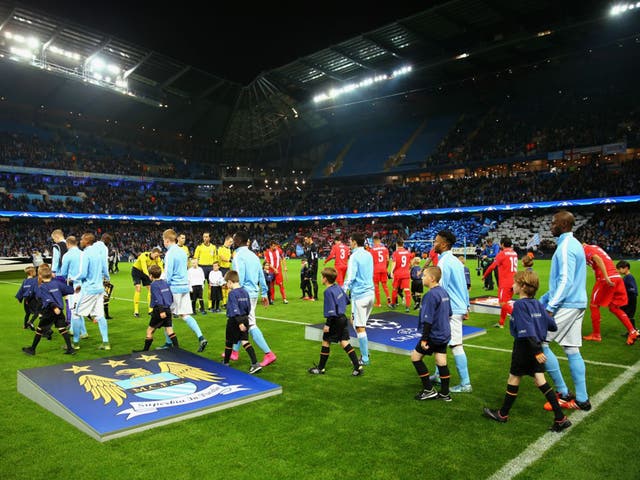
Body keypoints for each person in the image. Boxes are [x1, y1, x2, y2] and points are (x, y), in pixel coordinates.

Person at [483, 270, 571, 432]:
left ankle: (502, 414)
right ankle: (560, 418)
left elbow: (526, 330)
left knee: (514, 377)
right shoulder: (537, 303)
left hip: (525, 346)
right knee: (540, 380)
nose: (513, 285)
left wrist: (536, 351)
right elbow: (552, 325)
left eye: (515, 282)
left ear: (523, 286)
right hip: (536, 344)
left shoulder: (520, 306)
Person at [539, 211, 591, 411]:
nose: (551, 226)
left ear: (562, 224)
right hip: (577, 303)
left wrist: (550, 308)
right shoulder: (574, 244)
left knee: (541, 343)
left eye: (553, 223)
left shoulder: (566, 247)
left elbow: (565, 281)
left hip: (566, 304)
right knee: (571, 349)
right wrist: (544, 300)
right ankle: (582, 399)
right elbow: (562, 282)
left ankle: (563, 391)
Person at [431, 230, 472, 393]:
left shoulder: (444, 263)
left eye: (436, 241)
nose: (434, 244)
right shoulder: (456, 261)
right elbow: (463, 286)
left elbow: (441, 289)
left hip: (450, 309)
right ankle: (439, 374)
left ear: (444, 244)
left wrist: (436, 310)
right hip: (458, 306)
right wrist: (467, 306)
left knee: (456, 345)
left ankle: (466, 383)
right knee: (440, 342)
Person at [229, 230, 276, 367]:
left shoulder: (238, 257)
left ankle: (269, 354)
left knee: (250, 324)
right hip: (254, 293)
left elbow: (239, 278)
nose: (233, 242)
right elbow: (261, 276)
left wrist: (236, 293)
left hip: (244, 294)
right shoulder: (254, 256)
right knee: (239, 322)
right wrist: (264, 293)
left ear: (238, 241)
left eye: (234, 239)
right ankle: (234, 352)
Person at [308, 267, 363, 376]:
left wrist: (328, 324)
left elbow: (331, 310)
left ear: (325, 279)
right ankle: (358, 367)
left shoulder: (327, 292)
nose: (321, 278)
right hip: (343, 318)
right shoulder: (338, 287)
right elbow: (347, 300)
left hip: (335, 320)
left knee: (326, 341)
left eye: (322, 276)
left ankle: (321, 368)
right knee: (344, 342)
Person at [582, 243, 639, 344]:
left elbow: (597, 258)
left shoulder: (586, 249)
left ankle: (596, 335)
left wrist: (606, 277)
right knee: (614, 307)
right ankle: (633, 331)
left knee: (594, 305)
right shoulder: (595, 247)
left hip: (606, 279)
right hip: (617, 277)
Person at [162, 229, 208, 352]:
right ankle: (201, 337)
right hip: (184, 287)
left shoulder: (170, 254)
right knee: (185, 315)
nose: (163, 243)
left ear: (167, 240)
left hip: (174, 287)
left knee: (167, 316)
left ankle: (168, 342)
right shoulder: (183, 252)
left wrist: (163, 285)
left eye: (163, 241)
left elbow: (168, 273)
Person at [411, 266, 452, 401]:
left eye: (424, 276)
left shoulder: (430, 295)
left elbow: (427, 320)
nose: (422, 278)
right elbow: (449, 313)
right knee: (441, 361)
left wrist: (424, 339)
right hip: (444, 333)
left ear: (432, 278)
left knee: (416, 358)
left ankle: (428, 389)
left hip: (433, 335)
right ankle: (445, 393)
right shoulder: (444, 292)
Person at [22, 264, 76, 356]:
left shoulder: (42, 286)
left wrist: (54, 307)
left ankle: (32, 349)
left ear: (40, 276)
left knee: (39, 329)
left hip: (50, 311)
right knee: (62, 328)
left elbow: (48, 299)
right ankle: (70, 348)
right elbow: (69, 290)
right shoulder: (56, 283)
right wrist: (73, 285)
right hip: (59, 310)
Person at [74, 233, 111, 350]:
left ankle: (75, 344)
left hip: (89, 289)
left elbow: (83, 273)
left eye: (81, 239)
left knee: (76, 314)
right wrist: (107, 278)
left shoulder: (85, 254)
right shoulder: (99, 253)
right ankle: (106, 343)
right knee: (100, 315)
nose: (80, 241)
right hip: (99, 289)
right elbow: (105, 269)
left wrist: (73, 279)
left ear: (87, 241)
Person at [343, 232, 375, 366]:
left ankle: (365, 358)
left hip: (360, 295)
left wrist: (342, 291)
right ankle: (365, 350)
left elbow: (350, 276)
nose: (349, 243)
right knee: (355, 321)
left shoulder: (354, 256)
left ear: (355, 242)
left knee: (360, 327)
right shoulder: (369, 254)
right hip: (371, 294)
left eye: (350, 241)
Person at [222, 270, 263, 374]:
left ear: (230, 282)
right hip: (245, 318)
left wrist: (239, 322)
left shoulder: (232, 294)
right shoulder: (245, 292)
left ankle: (225, 362)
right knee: (245, 341)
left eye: (227, 282)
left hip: (235, 320)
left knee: (229, 341)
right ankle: (255, 363)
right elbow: (249, 307)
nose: (227, 285)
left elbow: (234, 308)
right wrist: (244, 320)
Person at [135, 264, 179, 351]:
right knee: (169, 330)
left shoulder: (154, 285)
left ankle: (145, 351)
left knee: (149, 331)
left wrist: (161, 311)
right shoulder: (165, 282)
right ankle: (177, 349)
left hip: (159, 310)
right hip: (167, 309)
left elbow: (159, 299)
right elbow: (170, 296)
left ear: (151, 276)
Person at [482, 237, 519, 328]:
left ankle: (519, 317)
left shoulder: (501, 254)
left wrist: (484, 275)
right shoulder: (514, 253)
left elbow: (492, 266)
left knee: (502, 303)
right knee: (505, 302)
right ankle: (501, 323)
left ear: (502, 244)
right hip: (514, 281)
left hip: (505, 283)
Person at [131, 247, 163, 318]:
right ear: (152, 253)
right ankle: (136, 311)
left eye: (158, 256)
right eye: (156, 255)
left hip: (147, 272)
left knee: (150, 289)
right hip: (137, 271)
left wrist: (161, 277)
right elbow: (144, 268)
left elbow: (161, 267)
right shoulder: (143, 256)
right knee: (138, 288)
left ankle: (150, 310)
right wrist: (150, 277)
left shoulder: (157, 258)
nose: (157, 257)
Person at [193, 232, 217, 310]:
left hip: (210, 267)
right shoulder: (199, 247)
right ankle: (200, 304)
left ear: (209, 238)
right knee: (200, 287)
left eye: (207, 237)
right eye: (204, 237)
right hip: (202, 267)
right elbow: (195, 258)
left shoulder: (213, 247)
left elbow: (215, 258)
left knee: (211, 286)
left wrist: (215, 268)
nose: (205, 238)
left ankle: (210, 304)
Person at [390, 239, 413, 312]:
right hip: (406, 273)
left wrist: (391, 272)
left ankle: (393, 304)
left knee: (395, 289)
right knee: (407, 290)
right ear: (403, 244)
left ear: (397, 244)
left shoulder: (395, 253)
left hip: (398, 273)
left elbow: (394, 263)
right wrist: (408, 270)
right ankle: (407, 307)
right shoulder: (408, 252)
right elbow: (411, 263)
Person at [370, 234, 391, 307]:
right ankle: (389, 300)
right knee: (385, 285)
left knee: (376, 286)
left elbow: (370, 261)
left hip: (376, 269)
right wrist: (386, 267)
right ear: (379, 240)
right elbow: (388, 259)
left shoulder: (372, 249)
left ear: (374, 240)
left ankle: (378, 303)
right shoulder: (385, 248)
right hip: (383, 269)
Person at [616, 260, 637, 333]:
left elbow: (632, 289)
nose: (618, 271)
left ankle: (634, 332)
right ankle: (631, 331)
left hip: (631, 299)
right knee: (627, 314)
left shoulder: (629, 277)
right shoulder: (626, 277)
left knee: (629, 315)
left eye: (620, 268)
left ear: (626, 268)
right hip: (628, 298)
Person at [16, 266, 38, 330]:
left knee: (27, 313)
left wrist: (20, 298)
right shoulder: (35, 280)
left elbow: (21, 290)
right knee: (38, 312)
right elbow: (36, 290)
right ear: (31, 272)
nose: (35, 272)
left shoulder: (25, 281)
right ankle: (31, 322)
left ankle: (25, 325)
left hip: (26, 299)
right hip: (32, 299)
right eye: (34, 271)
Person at [217, 235, 234, 307]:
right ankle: (224, 302)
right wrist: (230, 260)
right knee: (223, 286)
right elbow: (222, 257)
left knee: (228, 286)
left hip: (228, 269)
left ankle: (227, 302)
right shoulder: (220, 248)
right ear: (226, 241)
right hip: (222, 269)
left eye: (232, 242)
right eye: (230, 242)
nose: (231, 243)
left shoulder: (229, 249)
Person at [304, 235, 319, 301]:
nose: (305, 241)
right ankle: (310, 296)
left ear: (310, 238)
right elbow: (309, 256)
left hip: (313, 266)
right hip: (310, 265)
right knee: (306, 279)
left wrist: (311, 266)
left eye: (306, 239)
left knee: (314, 280)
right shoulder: (309, 246)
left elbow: (315, 257)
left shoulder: (313, 246)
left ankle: (315, 297)